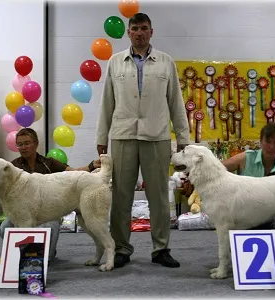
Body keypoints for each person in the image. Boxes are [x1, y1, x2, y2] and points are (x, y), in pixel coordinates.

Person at [95, 13, 190, 268]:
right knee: (121, 195)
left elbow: (176, 102)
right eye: (135, 28)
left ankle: (161, 248)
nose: (139, 32)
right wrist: (101, 137)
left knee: (158, 196)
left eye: (144, 28)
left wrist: (183, 137)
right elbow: (106, 102)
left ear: (151, 32)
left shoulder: (166, 63)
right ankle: (122, 248)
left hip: (156, 136)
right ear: (128, 33)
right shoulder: (115, 63)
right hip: (123, 135)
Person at [0, 128, 101, 262]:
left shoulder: (49, 163)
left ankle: (48, 256)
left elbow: (74, 172)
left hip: (49, 209)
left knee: (51, 225)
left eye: (27, 143)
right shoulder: (13, 167)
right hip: (23, 212)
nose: (23, 147)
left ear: (36, 144)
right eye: (20, 144)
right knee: (4, 227)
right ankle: (22, 255)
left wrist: (92, 165)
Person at [221, 122, 275, 229]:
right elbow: (218, 169)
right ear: (261, 141)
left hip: (267, 218)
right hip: (241, 217)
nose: (271, 147)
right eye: (267, 141)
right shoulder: (246, 157)